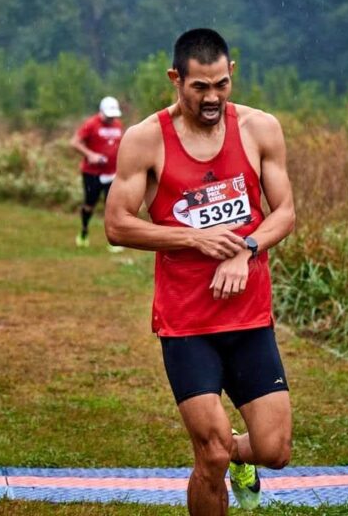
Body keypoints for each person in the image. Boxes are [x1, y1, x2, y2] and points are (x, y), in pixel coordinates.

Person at [105, 29, 296, 514]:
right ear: (176, 79)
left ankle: (242, 456)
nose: (212, 98)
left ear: (232, 75)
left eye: (221, 85)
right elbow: (117, 224)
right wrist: (193, 237)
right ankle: (221, 456)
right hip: (187, 322)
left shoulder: (259, 128)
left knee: (275, 450)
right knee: (209, 455)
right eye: (199, 88)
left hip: (250, 317)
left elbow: (285, 213)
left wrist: (244, 248)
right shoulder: (145, 139)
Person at [71, 96, 124, 250]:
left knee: (112, 207)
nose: (111, 118)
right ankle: (84, 231)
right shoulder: (91, 124)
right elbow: (74, 142)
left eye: (113, 115)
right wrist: (90, 155)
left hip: (113, 173)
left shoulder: (118, 125)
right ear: (101, 112)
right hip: (92, 174)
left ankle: (114, 241)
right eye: (108, 115)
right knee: (89, 205)